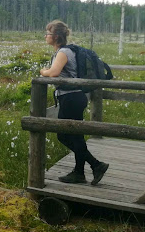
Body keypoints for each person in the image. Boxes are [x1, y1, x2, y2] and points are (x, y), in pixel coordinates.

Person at [39, 20, 109, 185]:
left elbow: (54, 73)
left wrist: (43, 71)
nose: (45, 36)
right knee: (76, 136)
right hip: (74, 97)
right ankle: (79, 173)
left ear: (55, 37)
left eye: (47, 33)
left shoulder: (63, 52)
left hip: (70, 97)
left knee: (63, 135)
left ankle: (96, 164)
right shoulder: (65, 51)